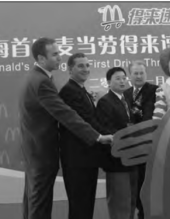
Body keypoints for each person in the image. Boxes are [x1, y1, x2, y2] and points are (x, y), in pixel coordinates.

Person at [18, 38, 113, 219]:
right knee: (39, 204)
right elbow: (66, 115)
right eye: (54, 54)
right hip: (42, 151)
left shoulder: (36, 77)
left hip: (35, 151)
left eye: (59, 53)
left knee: (33, 200)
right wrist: (97, 136)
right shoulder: (42, 81)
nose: (59, 58)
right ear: (41, 58)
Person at [59, 53, 109, 219]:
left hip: (87, 157)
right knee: (80, 205)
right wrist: (111, 135)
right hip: (77, 158)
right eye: (81, 66)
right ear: (70, 69)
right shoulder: (69, 91)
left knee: (86, 204)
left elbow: (92, 118)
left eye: (88, 65)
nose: (86, 69)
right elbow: (86, 121)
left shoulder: (81, 90)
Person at [96, 67, 138, 219]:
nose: (122, 81)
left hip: (131, 158)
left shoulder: (125, 100)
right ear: (108, 82)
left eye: (123, 78)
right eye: (118, 78)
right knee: (119, 201)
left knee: (131, 199)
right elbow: (106, 128)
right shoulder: (105, 102)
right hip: (116, 160)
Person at [124, 60, 158, 219]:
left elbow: (149, 116)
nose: (138, 76)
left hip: (149, 144)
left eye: (141, 73)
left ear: (146, 74)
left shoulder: (155, 90)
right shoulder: (125, 93)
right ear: (129, 76)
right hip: (131, 147)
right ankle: (139, 211)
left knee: (148, 181)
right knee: (135, 182)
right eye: (135, 73)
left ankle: (147, 212)